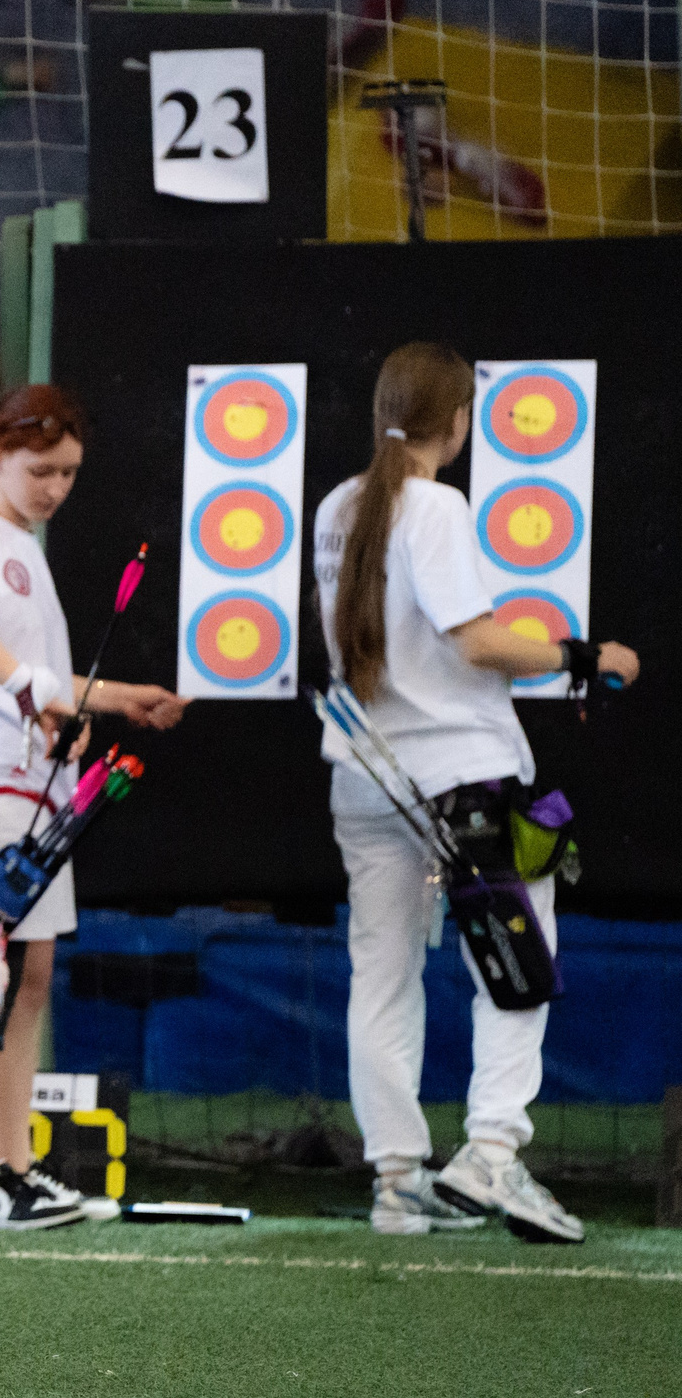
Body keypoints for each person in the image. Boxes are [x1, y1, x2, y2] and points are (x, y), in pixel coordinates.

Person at [314, 342, 637, 1244]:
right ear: (457, 423)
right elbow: (477, 640)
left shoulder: (338, 505)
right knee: (517, 956)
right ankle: (492, 1150)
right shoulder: (436, 506)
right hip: (465, 775)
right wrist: (584, 656)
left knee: (382, 974)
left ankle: (398, 1181)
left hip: (367, 775)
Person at [0, 384, 188, 1230]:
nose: (56, 487)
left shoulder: (27, 551)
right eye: (41, 469)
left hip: (39, 795)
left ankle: (18, 1167)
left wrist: (117, 697)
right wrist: (33, 686)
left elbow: (38, 676)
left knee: (30, 979)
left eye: (69, 472)